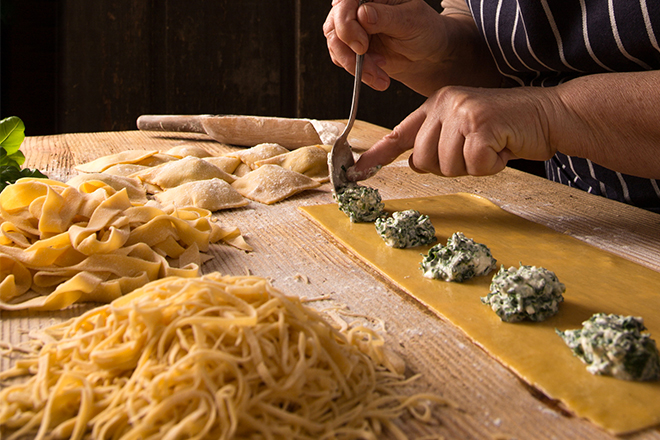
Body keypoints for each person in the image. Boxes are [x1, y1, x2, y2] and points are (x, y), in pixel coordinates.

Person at [323, 0, 660, 212]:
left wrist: (551, 114)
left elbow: (538, 108)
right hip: (579, 211)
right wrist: (442, 52)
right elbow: (500, 42)